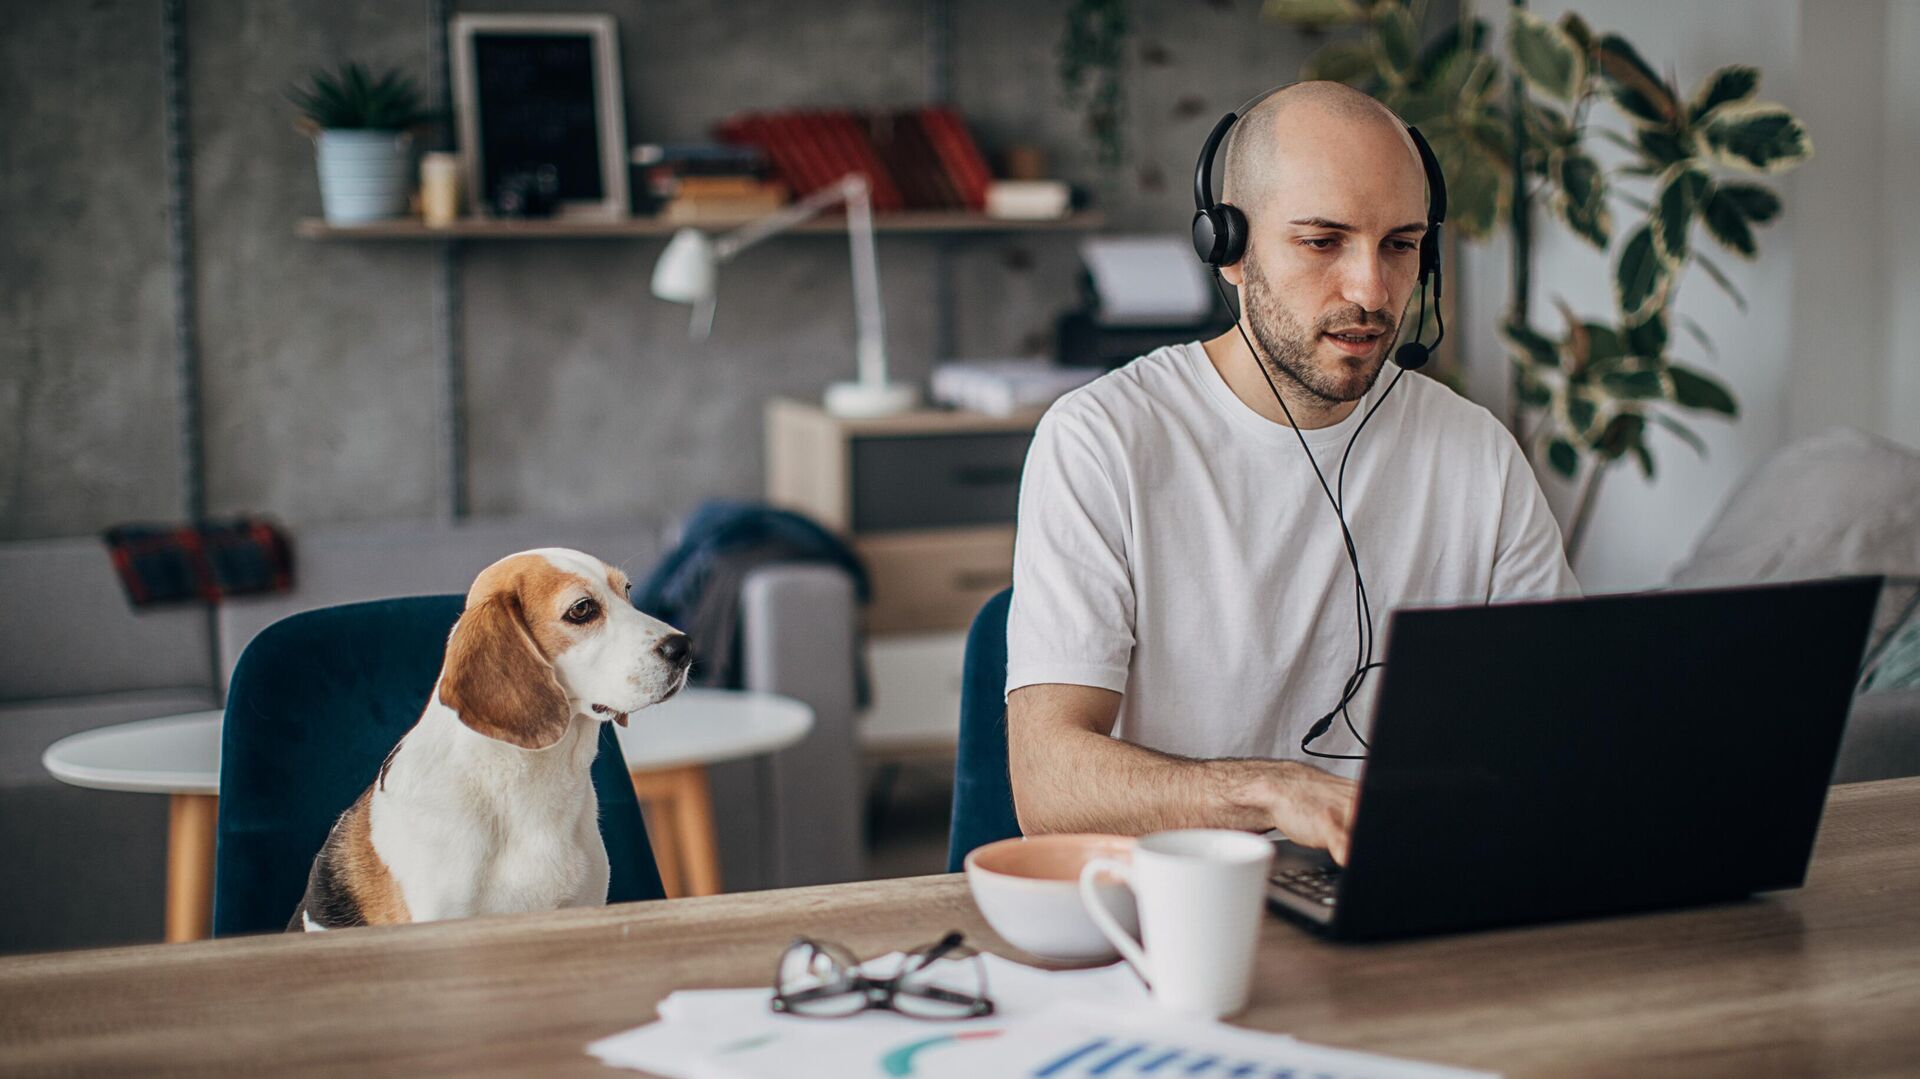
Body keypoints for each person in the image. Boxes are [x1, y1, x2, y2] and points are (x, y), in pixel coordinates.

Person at [1005, 82, 1578, 864]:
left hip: (1409, 889)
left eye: (1401, 245)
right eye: (1322, 242)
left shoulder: (1474, 450)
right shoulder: (1103, 439)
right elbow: (1048, 786)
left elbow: (1563, 725)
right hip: (1185, 916)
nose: (1372, 291)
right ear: (1229, 247)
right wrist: (1275, 792)